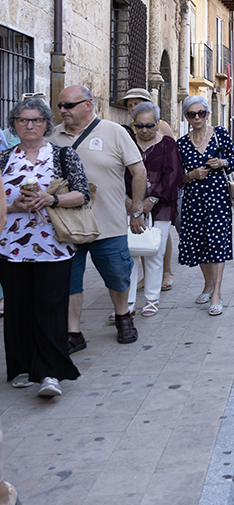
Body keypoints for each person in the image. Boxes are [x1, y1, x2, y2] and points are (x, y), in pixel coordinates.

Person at [0, 96, 87, 397]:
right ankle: (22, 366)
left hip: (54, 245)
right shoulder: (3, 159)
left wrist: (51, 199)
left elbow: (83, 194)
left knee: (51, 307)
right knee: (17, 308)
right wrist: (14, 205)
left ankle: (50, 372)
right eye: (22, 120)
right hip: (11, 247)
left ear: (46, 124)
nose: (29, 125)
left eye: (36, 120)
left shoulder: (63, 156)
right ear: (14, 125)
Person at [51, 85, 146, 349]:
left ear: (88, 105)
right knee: (69, 281)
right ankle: (73, 333)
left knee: (117, 275)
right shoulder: (53, 136)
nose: (62, 111)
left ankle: (123, 316)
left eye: (68, 106)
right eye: (60, 106)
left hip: (108, 223)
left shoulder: (114, 132)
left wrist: (136, 209)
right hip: (67, 225)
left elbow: (139, 172)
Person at [177, 95, 234, 317]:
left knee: (217, 242)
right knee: (200, 243)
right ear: (186, 117)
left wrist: (222, 162)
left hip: (217, 199)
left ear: (207, 114)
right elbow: (177, 178)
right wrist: (191, 175)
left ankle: (217, 294)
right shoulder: (182, 144)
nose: (197, 118)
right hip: (193, 200)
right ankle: (208, 284)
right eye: (192, 114)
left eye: (201, 113)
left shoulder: (220, 134)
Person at [125, 102, 183, 317]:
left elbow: (174, 175)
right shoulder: (127, 142)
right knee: (127, 254)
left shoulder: (168, 144)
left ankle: (151, 299)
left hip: (161, 205)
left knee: (154, 253)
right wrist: (127, 201)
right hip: (129, 205)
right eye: (139, 126)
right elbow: (117, 173)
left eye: (150, 125)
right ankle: (127, 303)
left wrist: (152, 198)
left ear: (158, 124)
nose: (145, 131)